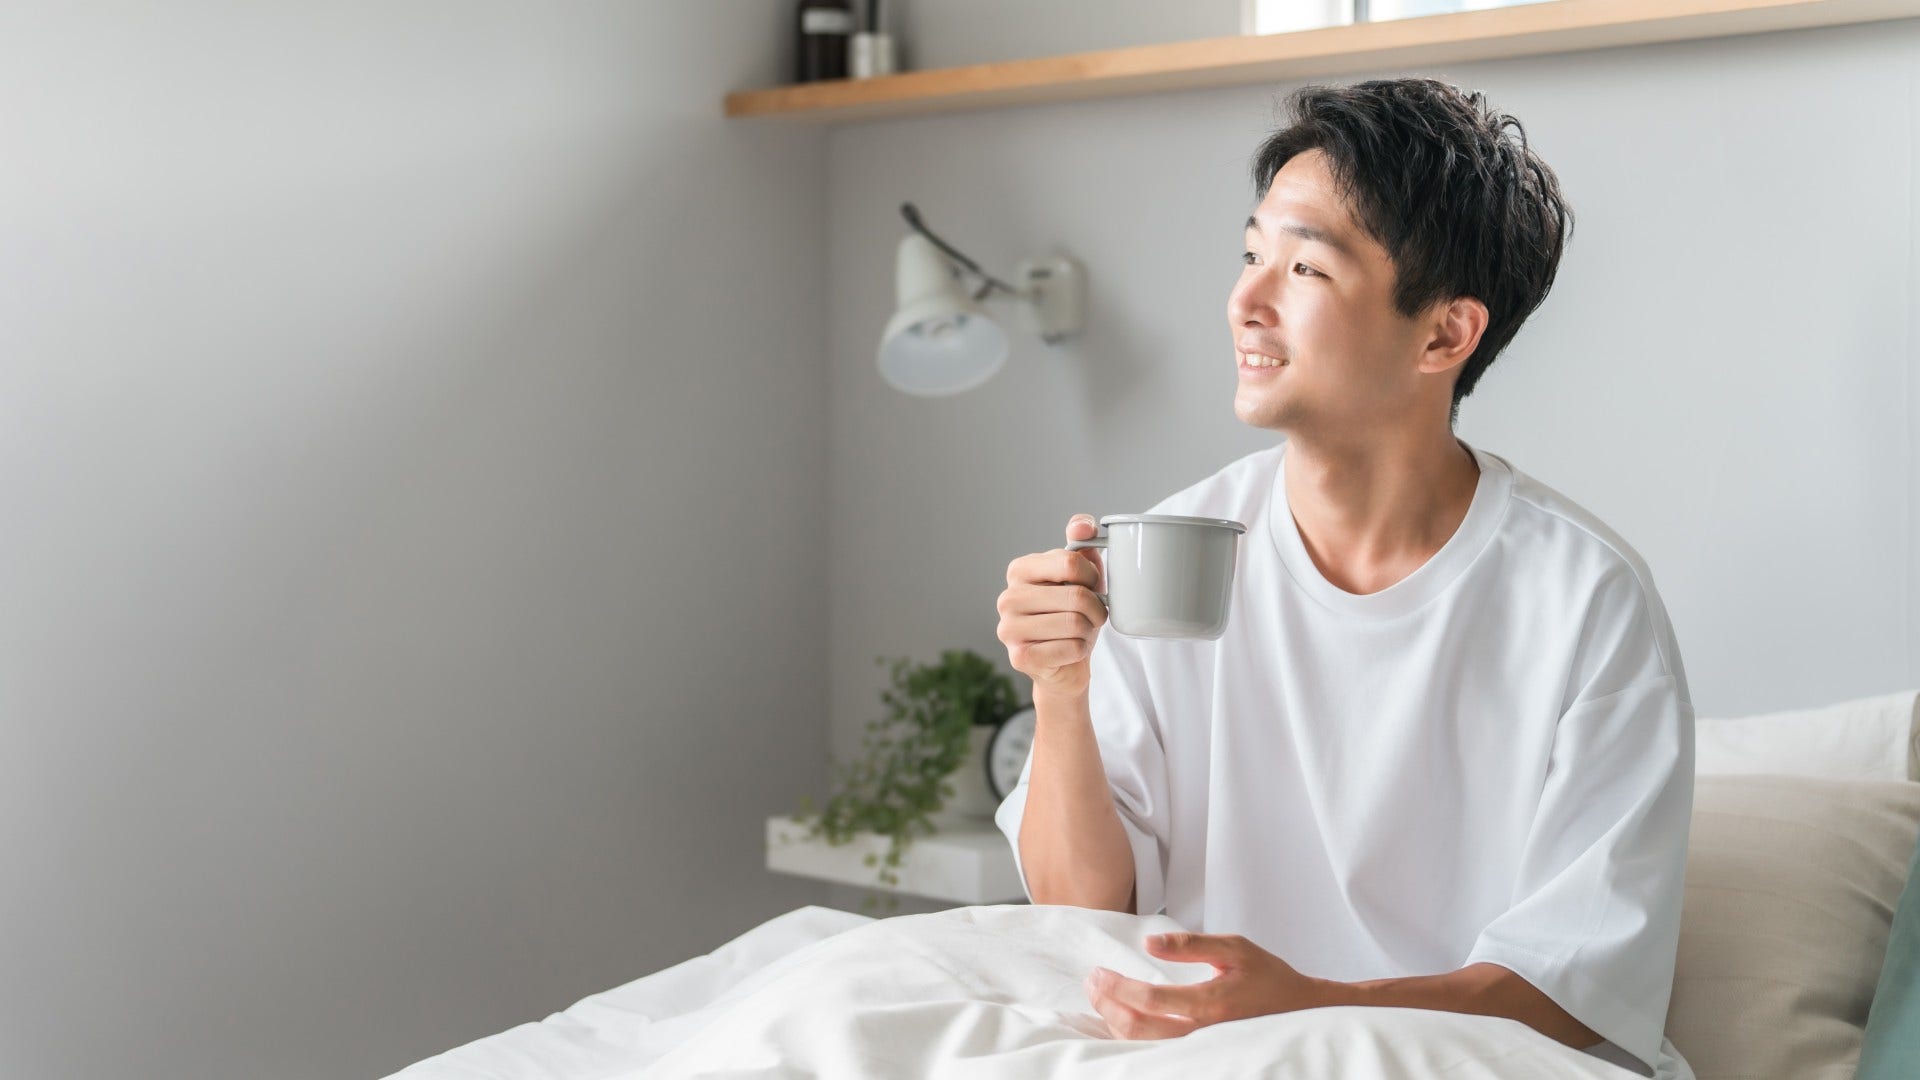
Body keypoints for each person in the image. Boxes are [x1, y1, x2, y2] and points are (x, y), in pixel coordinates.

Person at [993, 78, 1695, 1080]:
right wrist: (1061, 694)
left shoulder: (1584, 601)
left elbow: (1572, 995)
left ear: (1444, 335)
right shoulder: (1174, 549)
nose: (1245, 300)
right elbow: (1082, 915)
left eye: (1306, 269)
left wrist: (1313, 1010)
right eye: (1249, 255)